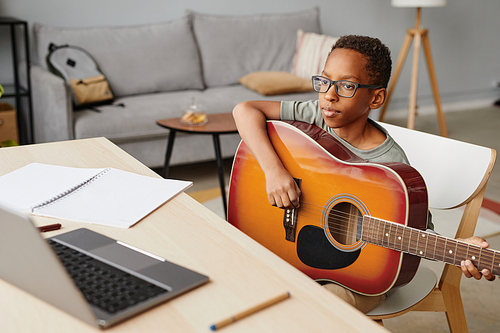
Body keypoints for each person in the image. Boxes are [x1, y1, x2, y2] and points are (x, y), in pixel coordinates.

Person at [233, 35, 495, 313]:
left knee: (314, 308)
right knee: (243, 278)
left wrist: (457, 248)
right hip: (301, 255)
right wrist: (274, 171)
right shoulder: (315, 115)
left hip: (358, 280)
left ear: (376, 97)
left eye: (347, 85)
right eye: (324, 81)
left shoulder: (390, 167)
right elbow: (245, 110)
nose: (329, 95)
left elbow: (417, 232)